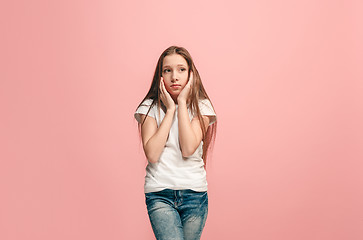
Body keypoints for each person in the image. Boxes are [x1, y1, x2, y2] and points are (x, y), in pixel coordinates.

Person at [134, 46, 217, 240]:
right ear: (160, 75)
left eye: (181, 69)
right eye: (167, 70)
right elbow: (152, 154)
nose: (174, 77)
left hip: (195, 194)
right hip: (160, 194)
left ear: (191, 74)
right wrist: (169, 110)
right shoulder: (149, 107)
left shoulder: (202, 106)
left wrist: (181, 103)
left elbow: (188, 148)